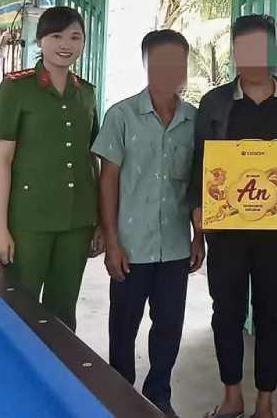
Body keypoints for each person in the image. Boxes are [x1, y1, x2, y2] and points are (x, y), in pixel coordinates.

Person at [191, 14, 277, 418]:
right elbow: (199, 162)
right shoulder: (214, 103)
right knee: (226, 311)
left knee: (271, 312)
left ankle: (265, 401)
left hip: (275, 234)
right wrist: (197, 209)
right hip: (225, 231)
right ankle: (232, 395)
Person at [92, 29, 203, 418]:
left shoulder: (195, 120)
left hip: (175, 244)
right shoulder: (120, 116)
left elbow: (197, 183)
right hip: (131, 243)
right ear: (146, 65)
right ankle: (120, 396)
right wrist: (112, 240)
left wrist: (198, 237)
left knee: (169, 325)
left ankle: (159, 395)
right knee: (123, 325)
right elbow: (108, 179)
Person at [0, 5, 104, 332]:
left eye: (74, 37)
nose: (65, 44)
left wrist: (100, 223)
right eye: (56, 36)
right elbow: (2, 162)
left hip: (77, 222)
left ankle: (60, 375)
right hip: (29, 221)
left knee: (63, 310)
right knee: (18, 307)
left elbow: (91, 158)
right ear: (40, 40)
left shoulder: (87, 94)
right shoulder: (17, 88)